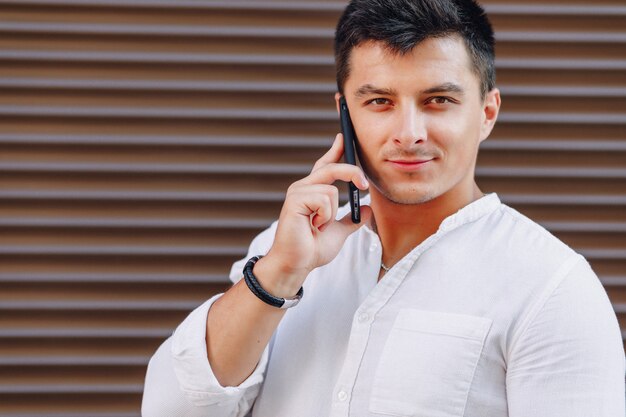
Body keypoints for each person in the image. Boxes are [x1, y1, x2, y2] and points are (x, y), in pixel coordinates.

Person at [141, 0, 625, 415]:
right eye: (379, 101)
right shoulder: (284, 251)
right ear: (344, 112)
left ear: (487, 113)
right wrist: (279, 273)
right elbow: (172, 408)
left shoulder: (552, 288)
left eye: (437, 100)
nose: (409, 133)